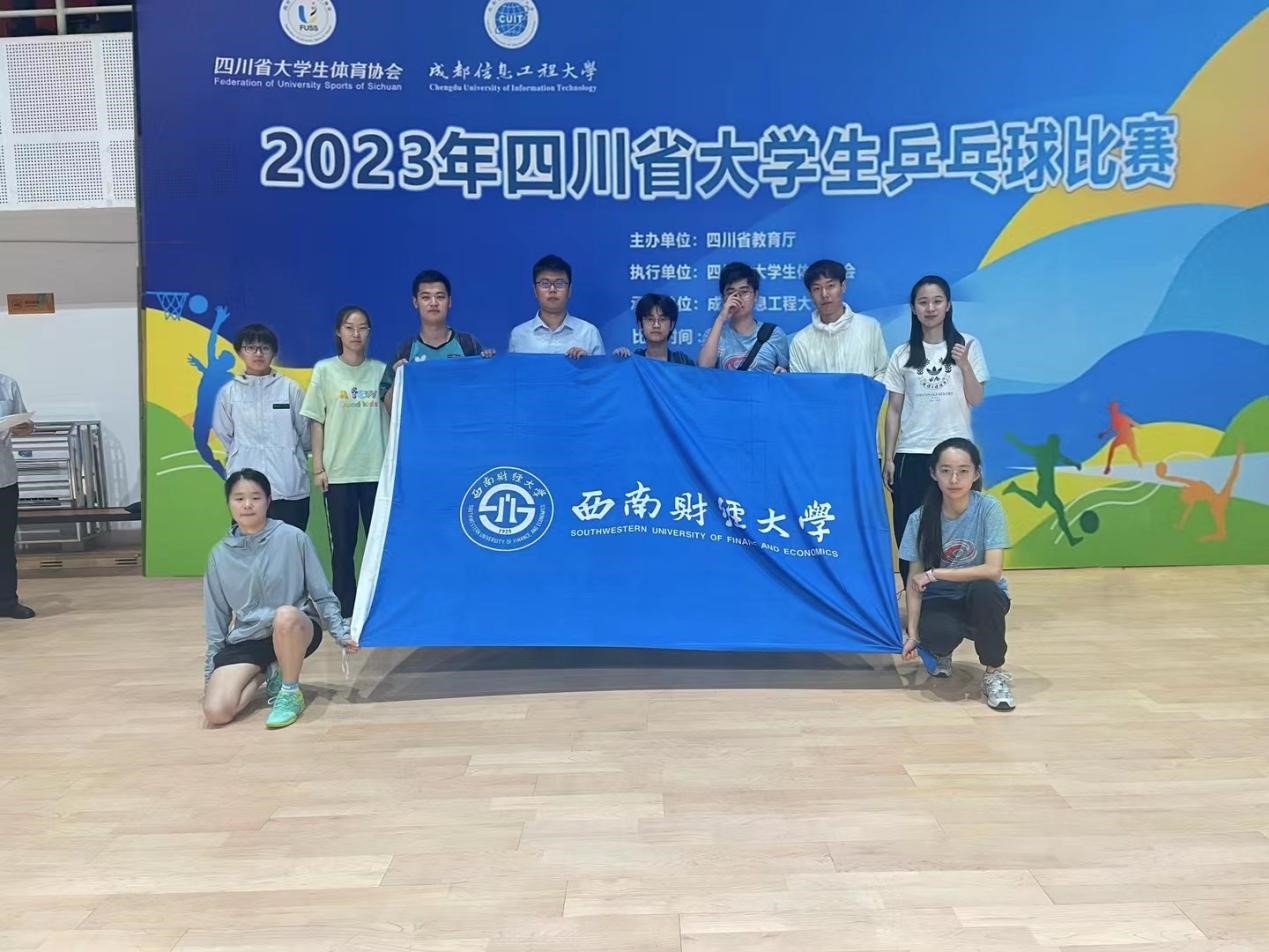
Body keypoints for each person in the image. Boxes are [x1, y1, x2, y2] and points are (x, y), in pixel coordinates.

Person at [203, 469, 357, 729]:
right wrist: (211, 672)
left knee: (285, 615)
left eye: (256, 497)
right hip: (249, 637)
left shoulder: (294, 538)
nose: (248, 505)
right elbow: (216, 616)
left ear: (268, 501)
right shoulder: (219, 555)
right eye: (239, 498)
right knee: (217, 712)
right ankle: (269, 670)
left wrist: (340, 632)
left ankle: (289, 691)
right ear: (229, 503)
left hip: (295, 628)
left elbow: (322, 593)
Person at [882, 275, 988, 584]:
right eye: (923, 302)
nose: (930, 308)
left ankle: (957, 596)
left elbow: (976, 399)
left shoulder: (968, 345)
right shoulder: (902, 354)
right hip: (912, 453)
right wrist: (889, 457)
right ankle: (915, 594)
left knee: (960, 528)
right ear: (913, 309)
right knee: (910, 529)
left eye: (937, 301)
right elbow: (894, 410)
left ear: (948, 305)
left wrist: (964, 365)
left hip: (956, 455)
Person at [900, 438, 1015, 711]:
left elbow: (993, 570)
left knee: (986, 590)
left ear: (976, 473)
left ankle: (994, 673)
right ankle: (941, 651)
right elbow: (914, 581)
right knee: (938, 634)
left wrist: (935, 573)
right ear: (933, 473)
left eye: (963, 471)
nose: (954, 479)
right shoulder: (919, 518)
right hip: (941, 599)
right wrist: (913, 633)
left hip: (980, 597)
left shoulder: (988, 508)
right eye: (946, 470)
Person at [301, 306, 387, 619]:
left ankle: (379, 607)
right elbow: (317, 421)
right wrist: (318, 467)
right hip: (338, 474)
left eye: (362, 328)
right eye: (349, 327)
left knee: (379, 547)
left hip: (377, 472)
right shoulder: (325, 370)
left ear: (369, 333)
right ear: (339, 332)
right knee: (343, 548)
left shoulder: (381, 371)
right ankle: (346, 612)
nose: (356, 334)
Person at [212, 324, 312, 530]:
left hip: (288, 486)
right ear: (240, 351)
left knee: (290, 545)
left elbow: (306, 435)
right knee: (249, 546)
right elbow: (225, 434)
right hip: (247, 491)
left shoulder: (290, 389)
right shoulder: (229, 393)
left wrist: (291, 458)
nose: (258, 353)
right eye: (251, 348)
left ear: (274, 353)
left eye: (264, 348)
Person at [380, 270, 493, 410]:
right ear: (415, 302)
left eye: (440, 297)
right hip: (422, 424)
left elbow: (487, 393)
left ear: (449, 301)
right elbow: (390, 408)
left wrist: (490, 365)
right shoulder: (405, 351)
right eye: (426, 297)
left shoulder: (468, 344)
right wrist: (398, 379)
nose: (433, 303)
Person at [788, 259, 887, 376]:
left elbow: (882, 371)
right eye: (817, 289)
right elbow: (799, 384)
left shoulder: (869, 327)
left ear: (843, 286)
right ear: (810, 295)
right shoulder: (801, 341)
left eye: (830, 286)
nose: (824, 294)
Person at [698, 262, 789, 372]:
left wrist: (783, 373)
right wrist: (720, 318)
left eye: (744, 292)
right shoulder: (713, 335)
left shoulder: (774, 334)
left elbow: (786, 376)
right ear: (723, 298)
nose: (737, 297)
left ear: (755, 296)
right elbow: (704, 367)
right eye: (731, 292)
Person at [507, 254, 605, 358]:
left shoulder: (589, 333)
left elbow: (601, 368)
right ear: (535, 290)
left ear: (569, 290)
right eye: (545, 284)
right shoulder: (519, 335)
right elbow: (512, 369)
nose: (552, 289)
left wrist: (587, 363)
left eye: (560, 283)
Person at [0, 372, 35, 620]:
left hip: (4, 478)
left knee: (4, 543)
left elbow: (24, 425)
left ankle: (6, 602)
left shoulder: (7, 384)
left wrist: (25, 427)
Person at [613, 293, 696, 364]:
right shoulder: (633, 361)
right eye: (650, 319)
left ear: (672, 324)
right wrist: (619, 358)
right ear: (640, 325)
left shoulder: (683, 362)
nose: (656, 325)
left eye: (662, 319)